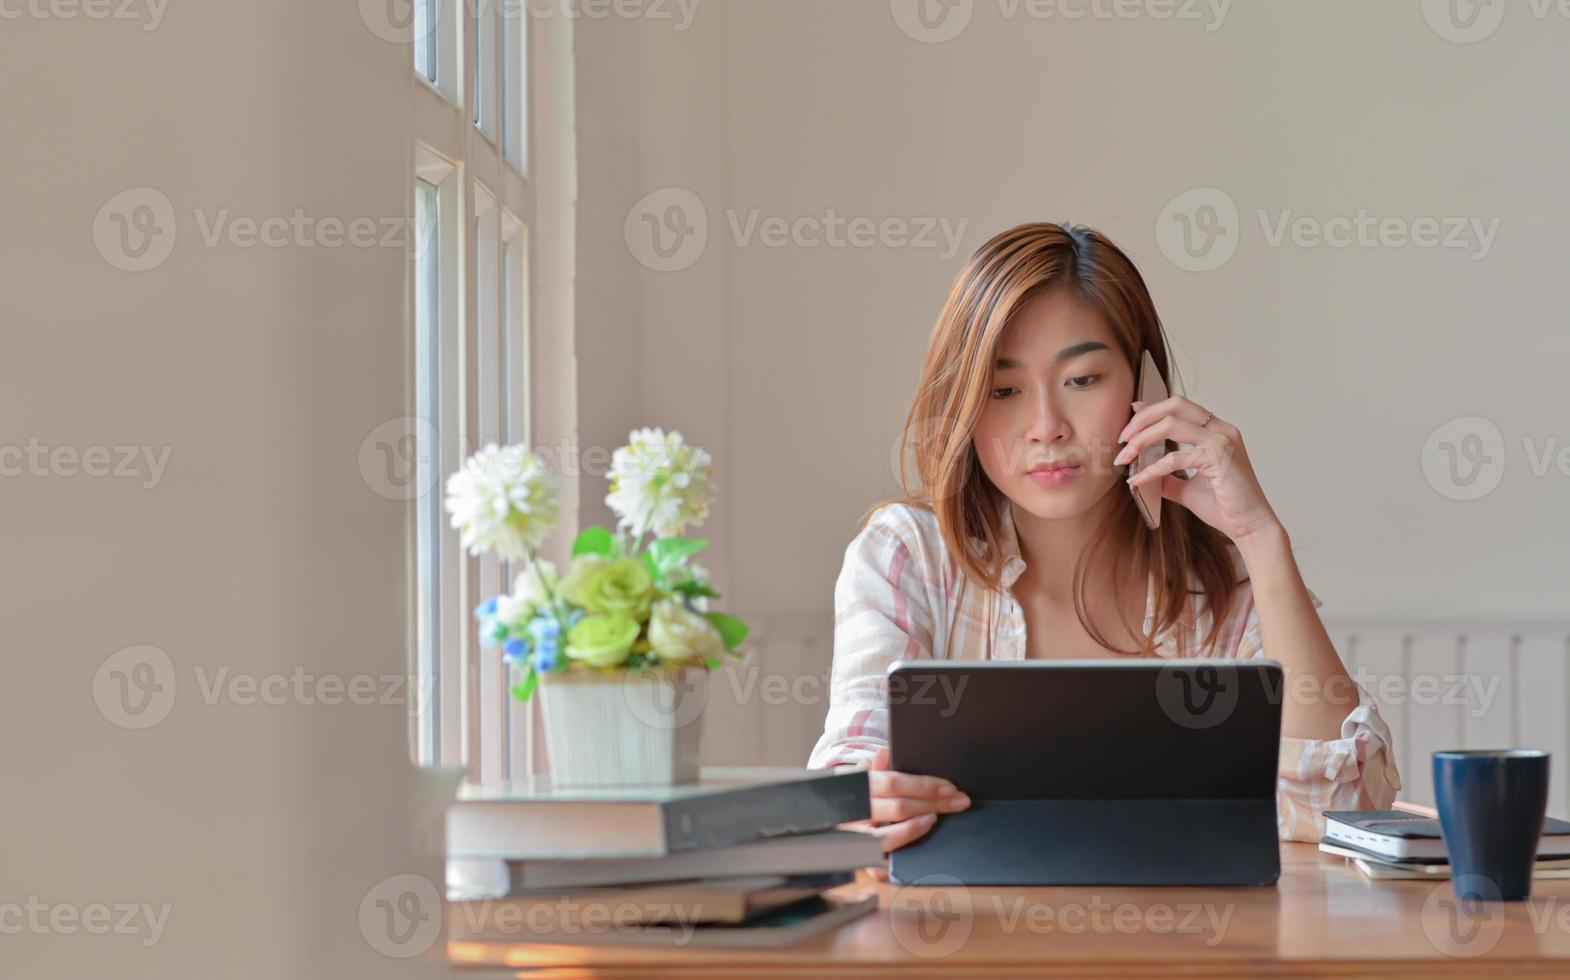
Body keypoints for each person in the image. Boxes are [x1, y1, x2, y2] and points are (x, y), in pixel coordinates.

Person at [808, 222, 1400, 875]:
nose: (1046, 429)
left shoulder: (1219, 582)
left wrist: (1261, 538)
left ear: (1144, 386)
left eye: (1083, 379)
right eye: (1004, 391)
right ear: (965, 407)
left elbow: (1346, 806)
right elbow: (850, 779)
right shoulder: (908, 555)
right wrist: (862, 803)